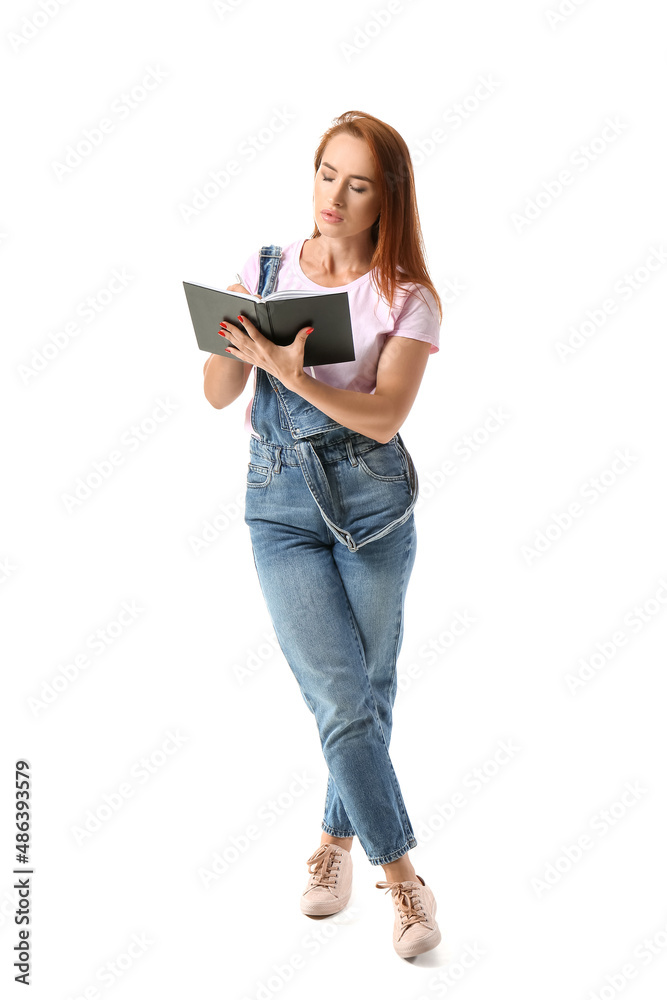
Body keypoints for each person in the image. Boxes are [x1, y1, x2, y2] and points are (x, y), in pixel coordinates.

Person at [202, 110, 443, 959]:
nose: (334, 196)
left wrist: (294, 375)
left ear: (387, 199)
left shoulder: (407, 297)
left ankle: (336, 844)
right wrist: (242, 340)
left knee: (367, 691)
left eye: (358, 183)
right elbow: (218, 395)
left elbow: (383, 418)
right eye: (326, 174)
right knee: (341, 697)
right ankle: (404, 879)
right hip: (279, 510)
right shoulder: (264, 268)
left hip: (372, 505)